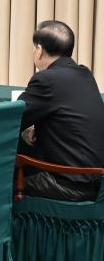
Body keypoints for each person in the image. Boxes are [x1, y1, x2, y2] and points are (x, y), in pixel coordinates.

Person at [17, 20, 104, 201]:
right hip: (96, 181)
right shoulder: (85, 74)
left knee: (0, 185)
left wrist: (27, 126)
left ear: (39, 50)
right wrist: (35, 127)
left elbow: (13, 119)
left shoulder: (46, 79)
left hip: (69, 185)